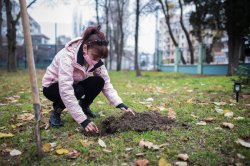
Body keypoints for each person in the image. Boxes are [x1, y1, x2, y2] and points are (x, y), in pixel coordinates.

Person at [42, 25, 134, 133]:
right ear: (85, 48)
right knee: (77, 90)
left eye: (99, 58)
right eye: (95, 57)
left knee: (99, 81)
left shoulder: (96, 60)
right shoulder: (67, 57)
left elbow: (107, 84)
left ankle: (84, 107)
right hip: (52, 87)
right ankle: (56, 112)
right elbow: (66, 89)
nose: (97, 61)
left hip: (75, 85)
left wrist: (120, 104)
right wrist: (83, 121)